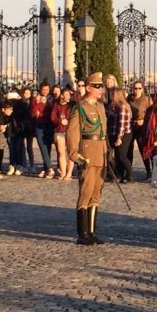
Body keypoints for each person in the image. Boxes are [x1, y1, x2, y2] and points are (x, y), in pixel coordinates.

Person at [67, 72, 108, 246]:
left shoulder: (100, 107)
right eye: (97, 86)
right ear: (89, 88)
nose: (100, 89)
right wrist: (75, 154)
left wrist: (108, 153)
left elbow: (104, 133)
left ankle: (91, 231)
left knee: (96, 193)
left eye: (101, 86)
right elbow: (72, 133)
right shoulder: (80, 108)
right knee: (85, 192)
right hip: (88, 154)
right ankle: (82, 232)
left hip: (101, 153)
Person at [127, 81, 152, 179]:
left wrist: (143, 121)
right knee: (129, 149)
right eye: (135, 88)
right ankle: (129, 172)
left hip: (141, 127)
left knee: (143, 149)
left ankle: (148, 170)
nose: (137, 90)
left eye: (139, 88)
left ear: (143, 89)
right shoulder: (129, 99)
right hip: (131, 125)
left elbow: (151, 114)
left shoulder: (146, 100)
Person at [30, 81, 55, 178]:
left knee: (47, 147)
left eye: (47, 90)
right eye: (43, 90)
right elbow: (32, 113)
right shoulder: (35, 99)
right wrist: (39, 103)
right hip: (39, 125)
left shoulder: (51, 99)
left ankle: (46, 169)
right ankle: (50, 168)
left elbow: (52, 111)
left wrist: (45, 105)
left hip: (49, 125)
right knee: (42, 146)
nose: (45, 91)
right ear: (40, 90)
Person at [109, 88, 134, 183]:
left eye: (113, 94)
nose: (112, 96)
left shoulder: (122, 106)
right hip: (118, 133)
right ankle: (119, 174)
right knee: (118, 155)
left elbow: (122, 124)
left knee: (122, 156)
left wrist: (119, 137)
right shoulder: (117, 106)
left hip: (124, 134)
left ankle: (130, 175)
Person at [52, 87, 75, 181]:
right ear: (62, 95)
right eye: (67, 95)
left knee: (70, 153)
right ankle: (63, 172)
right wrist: (59, 121)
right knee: (61, 153)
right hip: (59, 131)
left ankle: (69, 174)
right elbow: (53, 118)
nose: (68, 97)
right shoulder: (56, 105)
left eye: (69, 95)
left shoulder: (72, 106)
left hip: (70, 131)